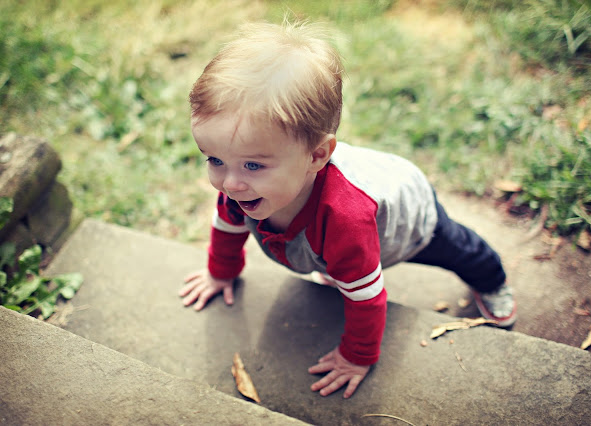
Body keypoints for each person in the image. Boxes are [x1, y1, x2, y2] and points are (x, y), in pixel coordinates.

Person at [180, 19, 516, 399]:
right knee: (338, 262)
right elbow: (227, 226)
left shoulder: (345, 219)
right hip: (339, 231)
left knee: (460, 250)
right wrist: (220, 272)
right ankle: (332, 265)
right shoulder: (242, 184)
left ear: (316, 156)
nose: (229, 183)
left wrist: (358, 356)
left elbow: (367, 297)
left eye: (253, 165)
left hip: (408, 214)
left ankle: (494, 280)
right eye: (214, 160)